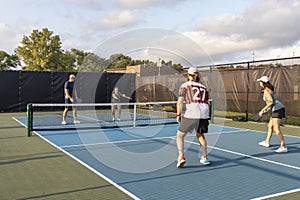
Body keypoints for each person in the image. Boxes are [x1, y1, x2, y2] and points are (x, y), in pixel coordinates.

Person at [176, 67, 211, 168]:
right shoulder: (204, 87)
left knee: (180, 135)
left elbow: (179, 102)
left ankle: (181, 156)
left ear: (188, 75)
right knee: (200, 135)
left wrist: (178, 115)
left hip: (192, 112)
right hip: (204, 113)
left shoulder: (185, 86)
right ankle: (204, 157)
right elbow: (207, 102)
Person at [257, 76, 288, 153]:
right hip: (276, 109)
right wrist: (267, 109)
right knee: (270, 126)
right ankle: (266, 142)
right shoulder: (267, 89)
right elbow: (270, 102)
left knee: (276, 129)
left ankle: (283, 146)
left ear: (263, 83)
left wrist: (262, 110)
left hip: (278, 110)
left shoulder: (266, 91)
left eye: (260, 81)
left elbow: (271, 101)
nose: (259, 83)